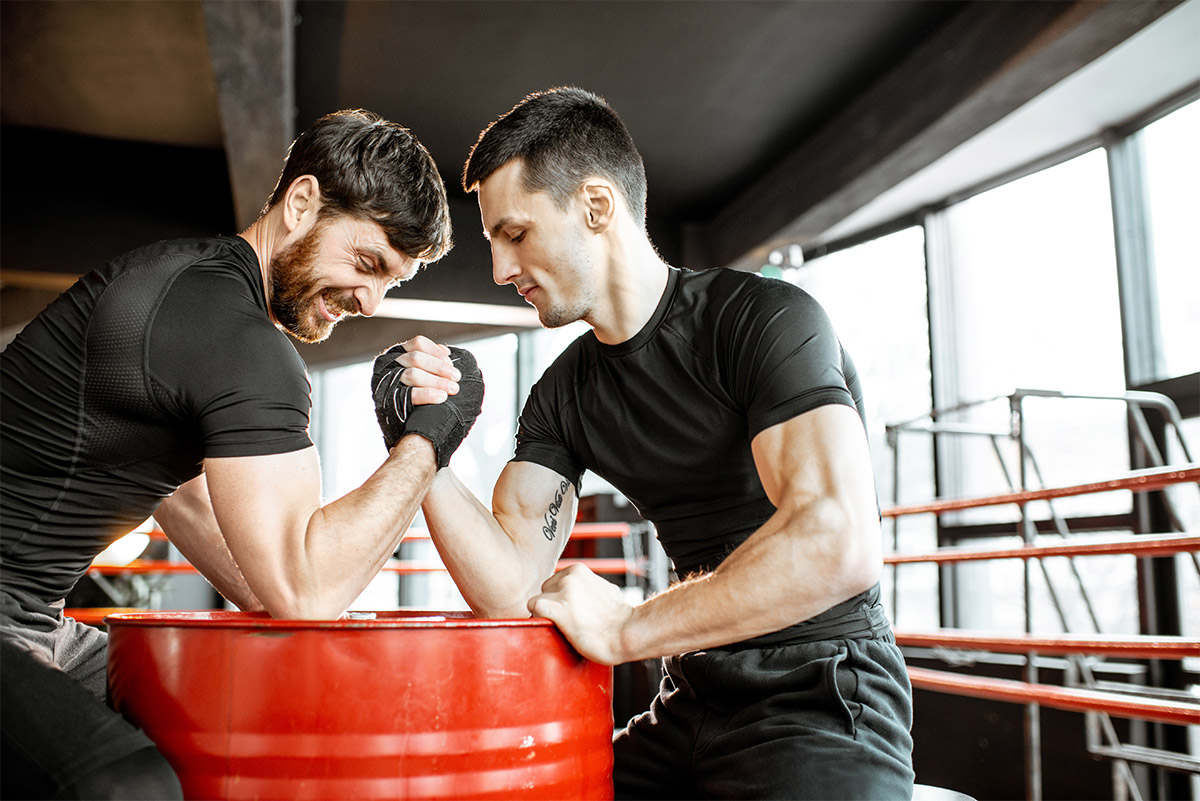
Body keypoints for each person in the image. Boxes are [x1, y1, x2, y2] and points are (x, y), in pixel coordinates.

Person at [409, 87, 915, 799]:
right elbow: (513, 584)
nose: (499, 269)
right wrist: (424, 450)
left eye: (515, 234)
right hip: (689, 701)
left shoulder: (762, 319)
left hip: (821, 694)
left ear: (596, 206)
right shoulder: (564, 392)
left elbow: (838, 541)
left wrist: (628, 628)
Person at [0, 109, 483, 800]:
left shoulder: (186, 286)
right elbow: (304, 591)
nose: (371, 300)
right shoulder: (237, 340)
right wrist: (426, 443)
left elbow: (210, 524)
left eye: (392, 281)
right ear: (302, 203)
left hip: (31, 616)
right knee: (128, 784)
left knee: (217, 722)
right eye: (367, 262)